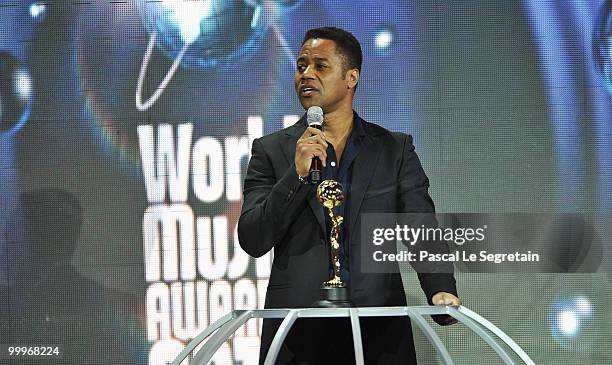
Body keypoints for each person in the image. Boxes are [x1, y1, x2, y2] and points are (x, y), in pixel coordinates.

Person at [238, 26, 461, 365]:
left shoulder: (393, 149)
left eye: (320, 66)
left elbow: (420, 226)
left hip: (378, 331)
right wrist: (295, 176)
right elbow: (253, 238)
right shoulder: (271, 151)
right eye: (301, 66)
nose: (306, 75)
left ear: (351, 77)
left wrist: (440, 288)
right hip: (298, 334)